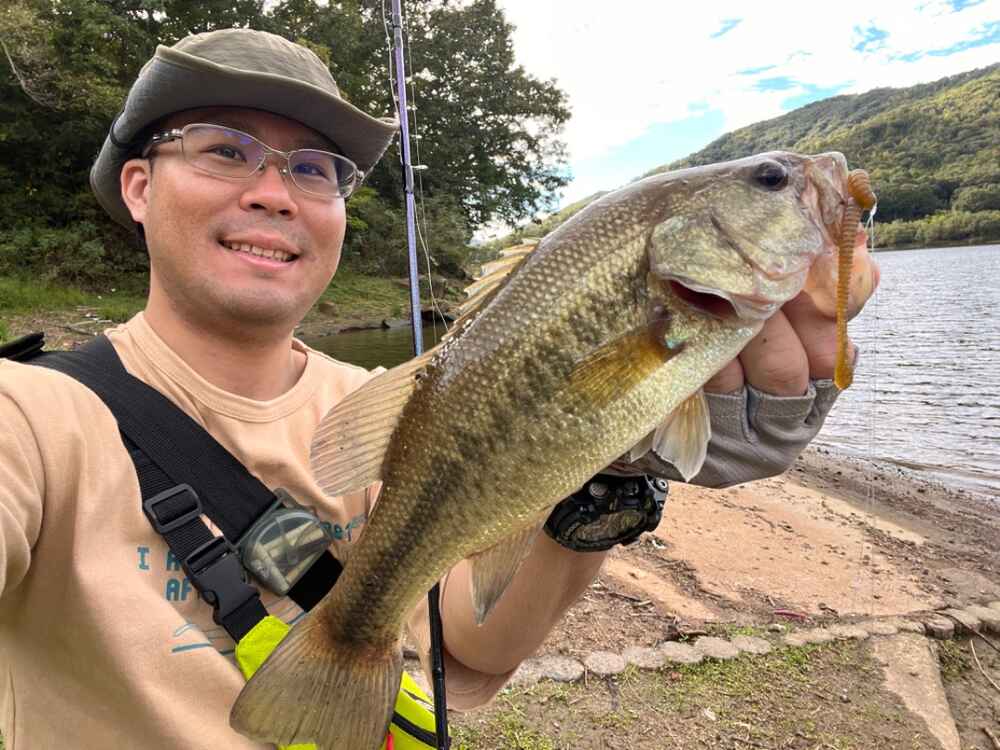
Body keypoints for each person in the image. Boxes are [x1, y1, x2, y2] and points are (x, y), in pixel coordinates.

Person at [0, 28, 877, 750]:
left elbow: (473, 645)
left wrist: (614, 478)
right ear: (140, 188)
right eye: (226, 151)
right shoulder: (31, 414)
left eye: (314, 167)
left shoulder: (390, 401)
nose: (274, 193)